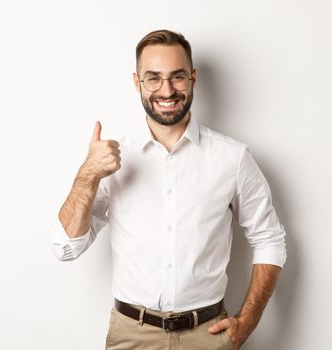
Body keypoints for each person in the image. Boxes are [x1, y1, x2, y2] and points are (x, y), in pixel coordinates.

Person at [51, 29, 287, 350]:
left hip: (209, 334)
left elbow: (269, 239)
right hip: (131, 335)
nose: (167, 89)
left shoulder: (232, 158)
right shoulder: (112, 158)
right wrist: (87, 174)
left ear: (193, 79)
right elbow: (66, 247)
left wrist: (246, 323)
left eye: (177, 77)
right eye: (153, 78)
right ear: (137, 83)